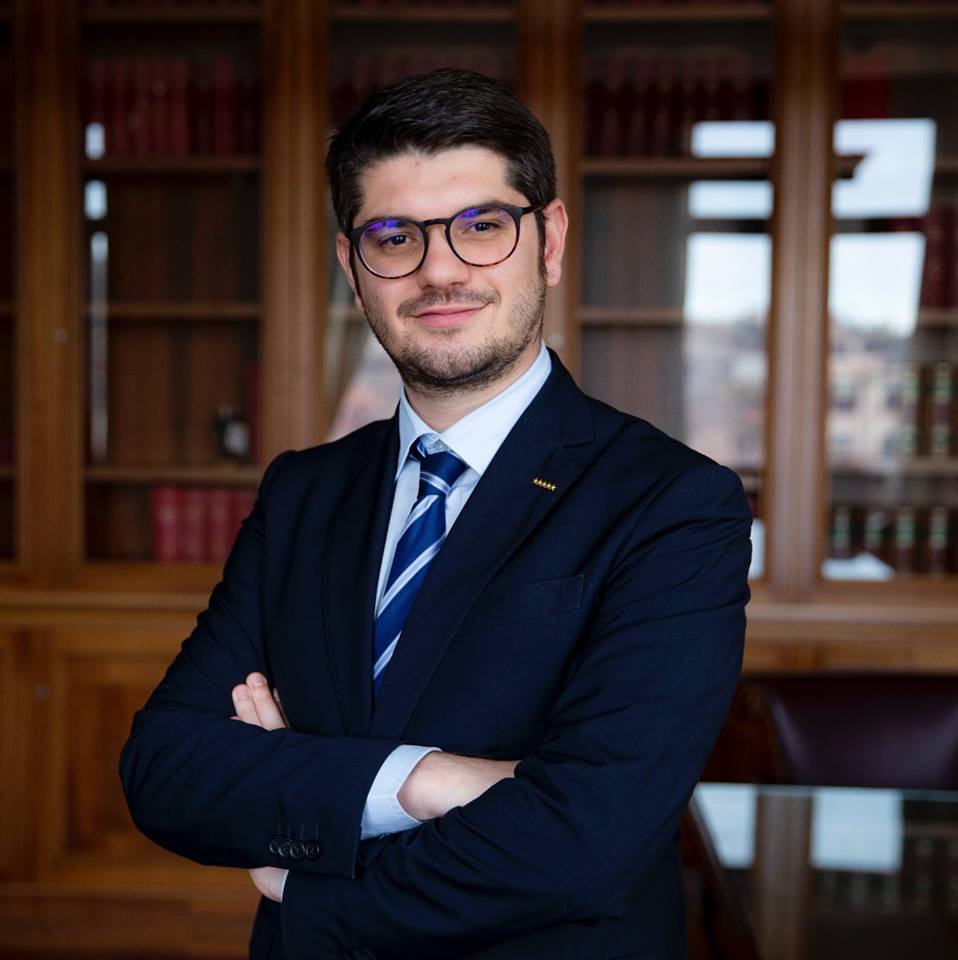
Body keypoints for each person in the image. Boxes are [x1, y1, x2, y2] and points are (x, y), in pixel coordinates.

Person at [119, 68, 751, 960]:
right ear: (353, 270)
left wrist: (308, 871)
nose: (440, 270)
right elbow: (164, 768)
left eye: (482, 227)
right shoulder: (303, 492)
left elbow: (588, 843)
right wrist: (425, 780)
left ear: (549, 242)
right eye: (394, 237)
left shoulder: (673, 504)